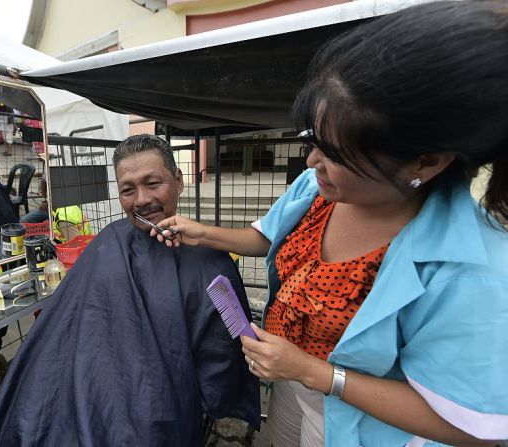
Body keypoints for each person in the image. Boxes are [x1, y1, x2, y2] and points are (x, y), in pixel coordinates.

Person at [153, 2, 508, 446]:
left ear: (426, 161)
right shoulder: (317, 188)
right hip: (289, 383)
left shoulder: (477, 272)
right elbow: (265, 238)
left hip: (359, 422)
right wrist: (202, 232)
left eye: (335, 154)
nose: (311, 161)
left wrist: (315, 372)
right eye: (311, 141)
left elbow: (470, 427)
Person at [0, 134, 261, 446]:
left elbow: (222, 358)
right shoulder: (106, 243)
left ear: (179, 182)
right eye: (128, 190)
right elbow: (59, 334)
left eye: (153, 183)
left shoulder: (211, 261)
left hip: (154, 413)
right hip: (77, 396)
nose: (141, 199)